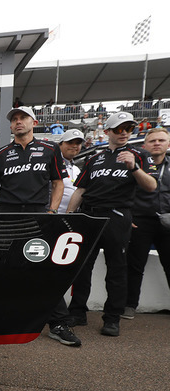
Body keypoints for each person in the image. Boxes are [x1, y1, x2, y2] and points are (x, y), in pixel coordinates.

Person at [0, 106, 80, 347]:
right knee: (3, 268)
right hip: (6, 215)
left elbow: (58, 183)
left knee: (45, 269)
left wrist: (51, 211)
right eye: (14, 119)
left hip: (38, 215)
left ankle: (59, 324)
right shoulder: (1, 154)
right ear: (10, 126)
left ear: (34, 122)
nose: (18, 122)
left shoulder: (50, 149)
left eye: (23, 118)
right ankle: (2, 321)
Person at [67, 112, 157, 337]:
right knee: (82, 268)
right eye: (119, 129)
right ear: (107, 131)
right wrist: (68, 216)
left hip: (117, 216)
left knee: (116, 269)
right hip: (88, 216)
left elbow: (151, 186)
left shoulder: (140, 154)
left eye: (128, 128)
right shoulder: (94, 158)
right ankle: (77, 312)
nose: (124, 132)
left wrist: (134, 167)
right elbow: (81, 190)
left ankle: (112, 317)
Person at [124, 127, 170, 318]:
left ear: (168, 144)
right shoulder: (134, 165)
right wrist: (129, 217)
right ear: (145, 145)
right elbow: (124, 193)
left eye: (161, 140)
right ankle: (129, 305)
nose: (157, 144)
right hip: (140, 220)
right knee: (135, 266)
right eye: (152, 141)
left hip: (168, 220)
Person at [57, 129, 84, 213]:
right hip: (52, 216)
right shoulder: (52, 165)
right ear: (60, 144)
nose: (74, 146)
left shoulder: (76, 169)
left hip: (72, 217)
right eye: (70, 142)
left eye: (78, 143)